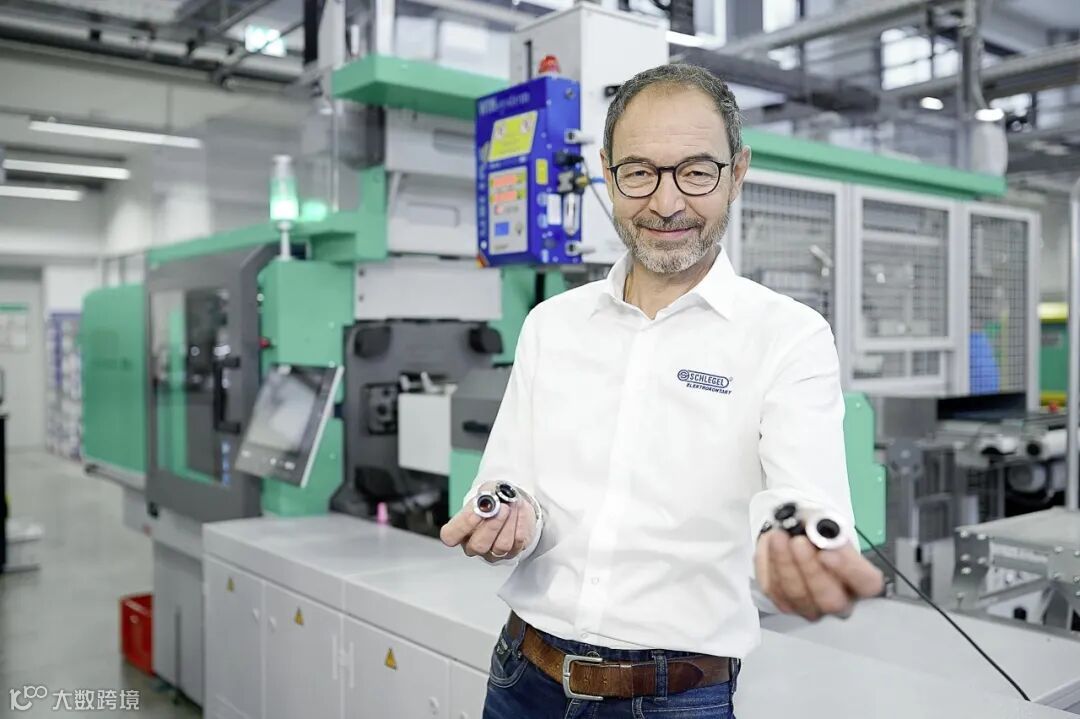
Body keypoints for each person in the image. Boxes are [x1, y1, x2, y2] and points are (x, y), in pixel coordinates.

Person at [440, 63, 884, 719]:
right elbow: (511, 482)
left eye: (696, 172)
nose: (666, 203)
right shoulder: (551, 325)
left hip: (675, 698)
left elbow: (804, 501)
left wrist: (794, 549)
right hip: (522, 677)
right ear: (606, 171)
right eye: (639, 172)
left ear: (737, 172)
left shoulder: (788, 336)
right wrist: (510, 522)